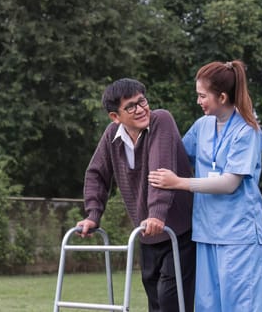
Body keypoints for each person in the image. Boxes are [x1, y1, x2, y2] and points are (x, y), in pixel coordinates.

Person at [148, 60, 262, 312]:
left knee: (240, 306)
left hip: (238, 236)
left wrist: (179, 183)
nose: (198, 101)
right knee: (208, 306)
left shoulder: (247, 131)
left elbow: (229, 183)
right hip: (206, 233)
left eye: (202, 96)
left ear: (222, 96)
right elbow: (177, 156)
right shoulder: (202, 127)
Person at [76, 78, 196, 312]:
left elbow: (159, 169)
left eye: (142, 101)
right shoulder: (113, 136)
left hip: (178, 232)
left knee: (171, 301)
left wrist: (157, 213)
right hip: (147, 234)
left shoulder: (161, 120)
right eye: (131, 106)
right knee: (155, 302)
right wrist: (93, 214)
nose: (141, 109)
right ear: (115, 116)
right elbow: (96, 174)